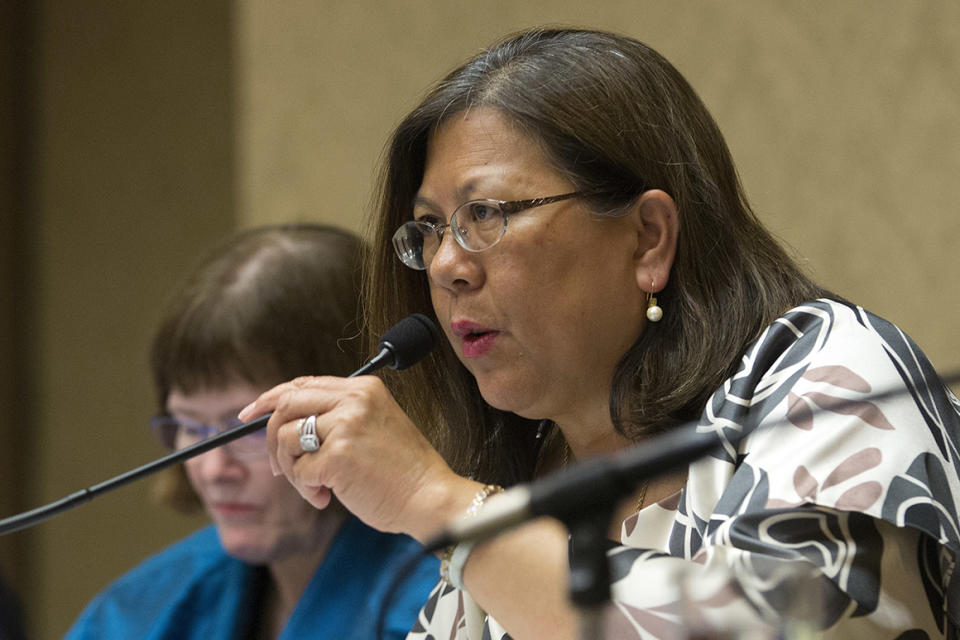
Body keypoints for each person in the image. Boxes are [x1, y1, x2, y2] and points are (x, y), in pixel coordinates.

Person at [240, 29, 960, 639]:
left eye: (485, 214)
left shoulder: (827, 375)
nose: (448, 265)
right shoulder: (530, 470)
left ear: (647, 238)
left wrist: (437, 502)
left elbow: (773, 625)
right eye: (429, 229)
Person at [66, 224, 438, 640]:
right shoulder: (142, 611)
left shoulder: (448, 605)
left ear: (351, 412)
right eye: (189, 426)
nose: (212, 471)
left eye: (242, 430)